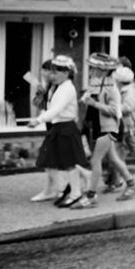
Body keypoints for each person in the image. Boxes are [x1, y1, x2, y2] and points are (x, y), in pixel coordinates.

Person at [74, 53, 135, 207]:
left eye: (93, 69)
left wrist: (94, 104)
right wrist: (84, 99)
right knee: (113, 158)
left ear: (103, 71)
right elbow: (90, 97)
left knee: (95, 160)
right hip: (100, 125)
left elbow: (116, 111)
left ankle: (91, 196)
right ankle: (132, 184)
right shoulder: (99, 84)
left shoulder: (112, 88)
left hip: (109, 126)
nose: (90, 72)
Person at [32, 56, 89, 208]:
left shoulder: (68, 88)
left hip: (66, 128)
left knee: (69, 163)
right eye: (52, 72)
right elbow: (50, 107)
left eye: (56, 72)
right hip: (58, 128)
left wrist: (38, 120)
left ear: (66, 73)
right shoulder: (61, 87)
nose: (52, 75)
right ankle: (64, 189)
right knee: (49, 159)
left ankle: (75, 192)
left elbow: (56, 109)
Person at [29, 60, 69, 202]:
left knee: (49, 158)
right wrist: (40, 94)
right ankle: (54, 190)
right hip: (51, 125)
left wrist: (38, 120)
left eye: (45, 71)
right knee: (52, 159)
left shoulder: (61, 87)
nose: (43, 74)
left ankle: (60, 189)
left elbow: (57, 108)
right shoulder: (49, 86)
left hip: (59, 125)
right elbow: (38, 104)